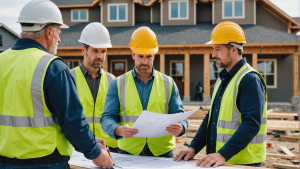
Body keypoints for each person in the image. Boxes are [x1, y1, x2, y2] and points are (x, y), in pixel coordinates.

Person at [0, 0, 113, 168]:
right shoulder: (52, 67)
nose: (59, 39)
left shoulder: (2, 61)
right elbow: (73, 122)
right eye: (58, 32)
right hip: (45, 163)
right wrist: (96, 153)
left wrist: (89, 143)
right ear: (48, 32)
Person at [174, 21, 267, 167]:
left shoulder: (250, 79)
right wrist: (193, 148)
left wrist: (223, 154)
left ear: (234, 49)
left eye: (218, 49)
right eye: (213, 49)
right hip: (219, 160)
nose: (213, 54)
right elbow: (211, 119)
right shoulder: (223, 79)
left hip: (242, 163)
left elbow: (251, 124)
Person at [100, 27, 188, 158]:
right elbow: (106, 118)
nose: (145, 62)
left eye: (149, 57)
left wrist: (181, 127)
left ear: (154, 55)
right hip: (129, 151)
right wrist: (118, 130)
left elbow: (181, 116)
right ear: (132, 54)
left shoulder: (168, 83)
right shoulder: (117, 84)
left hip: (162, 153)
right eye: (140, 56)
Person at [69, 22, 118, 153]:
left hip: (109, 149)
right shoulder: (68, 78)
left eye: (103, 51)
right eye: (95, 50)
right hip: (78, 149)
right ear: (83, 50)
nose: (100, 56)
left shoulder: (112, 81)